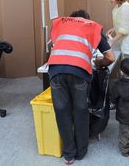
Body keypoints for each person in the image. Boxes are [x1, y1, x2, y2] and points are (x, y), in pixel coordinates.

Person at [47, 10, 115, 165]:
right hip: (79, 72)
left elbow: (57, 48)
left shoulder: (61, 24)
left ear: (72, 18)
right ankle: (81, 152)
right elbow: (111, 57)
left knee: (62, 111)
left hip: (56, 70)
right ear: (87, 19)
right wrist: (98, 63)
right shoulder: (92, 26)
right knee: (80, 110)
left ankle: (69, 155)